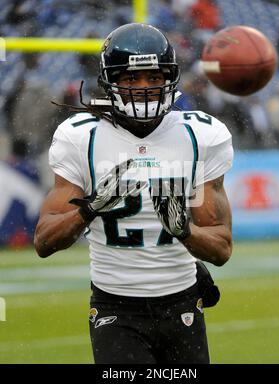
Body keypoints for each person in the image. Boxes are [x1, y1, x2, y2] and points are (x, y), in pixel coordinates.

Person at [34, 23, 233, 364]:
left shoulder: (202, 135)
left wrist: (184, 230)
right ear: (110, 81)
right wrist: (89, 209)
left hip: (183, 302)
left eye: (154, 78)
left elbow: (221, 248)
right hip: (115, 307)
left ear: (170, 78)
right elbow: (43, 241)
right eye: (130, 79)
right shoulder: (81, 136)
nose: (144, 89)